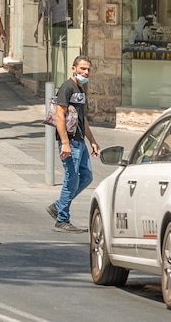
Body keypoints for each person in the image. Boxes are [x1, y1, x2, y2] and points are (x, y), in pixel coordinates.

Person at [46, 55, 100, 233]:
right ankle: (62, 219)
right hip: (70, 142)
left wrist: (92, 141)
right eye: (82, 68)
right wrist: (65, 143)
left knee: (86, 177)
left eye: (88, 69)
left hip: (80, 141)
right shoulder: (67, 87)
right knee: (72, 178)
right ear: (74, 68)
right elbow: (60, 115)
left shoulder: (80, 89)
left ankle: (58, 206)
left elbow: (82, 119)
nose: (85, 72)